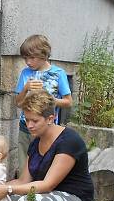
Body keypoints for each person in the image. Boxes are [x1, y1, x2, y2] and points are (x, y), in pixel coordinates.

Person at [0, 90, 93, 201]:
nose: (29, 125)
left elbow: (48, 184)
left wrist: (7, 189)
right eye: (27, 119)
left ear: (50, 118)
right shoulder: (35, 142)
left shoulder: (69, 141)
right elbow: (23, 181)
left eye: (34, 121)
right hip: (46, 198)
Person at [13, 34, 72, 173]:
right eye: (25, 58)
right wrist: (26, 88)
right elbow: (18, 102)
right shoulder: (25, 73)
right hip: (25, 127)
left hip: (47, 129)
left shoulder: (58, 73)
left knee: (44, 167)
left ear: (44, 55)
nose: (28, 62)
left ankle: (41, 193)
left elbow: (68, 102)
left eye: (31, 58)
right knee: (24, 167)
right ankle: (26, 193)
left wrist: (52, 100)